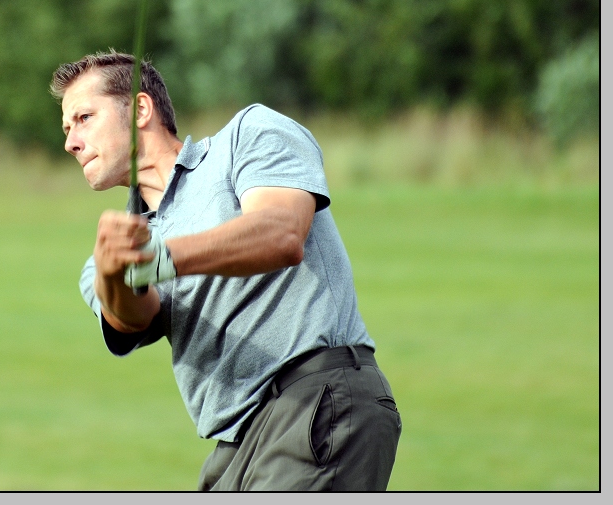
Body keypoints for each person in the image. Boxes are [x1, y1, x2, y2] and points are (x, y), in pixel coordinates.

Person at [50, 50, 402, 491]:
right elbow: (133, 320)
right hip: (233, 448)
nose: (70, 141)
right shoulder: (108, 253)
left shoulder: (247, 136)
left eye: (83, 118)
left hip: (317, 399)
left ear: (141, 109)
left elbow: (282, 233)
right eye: (67, 128)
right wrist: (115, 275)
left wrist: (159, 260)